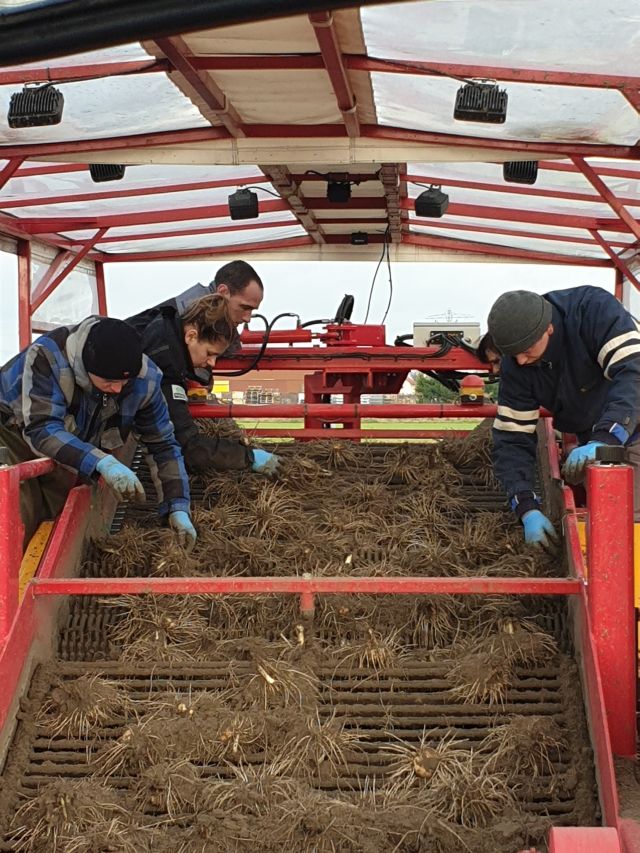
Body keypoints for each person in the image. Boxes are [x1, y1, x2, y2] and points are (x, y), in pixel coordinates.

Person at [0, 317, 197, 550]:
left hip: (70, 444)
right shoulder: (49, 358)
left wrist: (177, 505)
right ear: (86, 367)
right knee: (15, 523)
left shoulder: (145, 379)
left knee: (56, 527)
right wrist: (101, 462)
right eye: (110, 381)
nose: (118, 389)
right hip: (12, 435)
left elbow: (163, 444)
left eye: (125, 381)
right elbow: (42, 429)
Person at [487, 286, 640, 551]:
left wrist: (606, 437)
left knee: (627, 524)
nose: (521, 361)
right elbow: (512, 439)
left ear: (548, 328)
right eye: (514, 354)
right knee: (603, 527)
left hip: (631, 426)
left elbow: (634, 374)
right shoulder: (517, 364)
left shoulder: (592, 311)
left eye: (526, 349)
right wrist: (526, 507)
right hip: (592, 439)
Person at [126, 294, 279, 476]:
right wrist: (249, 457)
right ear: (191, 336)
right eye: (210, 353)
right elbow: (190, 447)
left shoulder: (164, 326)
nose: (213, 363)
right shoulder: (164, 365)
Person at [159, 259, 264, 356]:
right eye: (244, 307)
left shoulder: (192, 314)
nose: (247, 319)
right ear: (223, 292)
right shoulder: (194, 322)